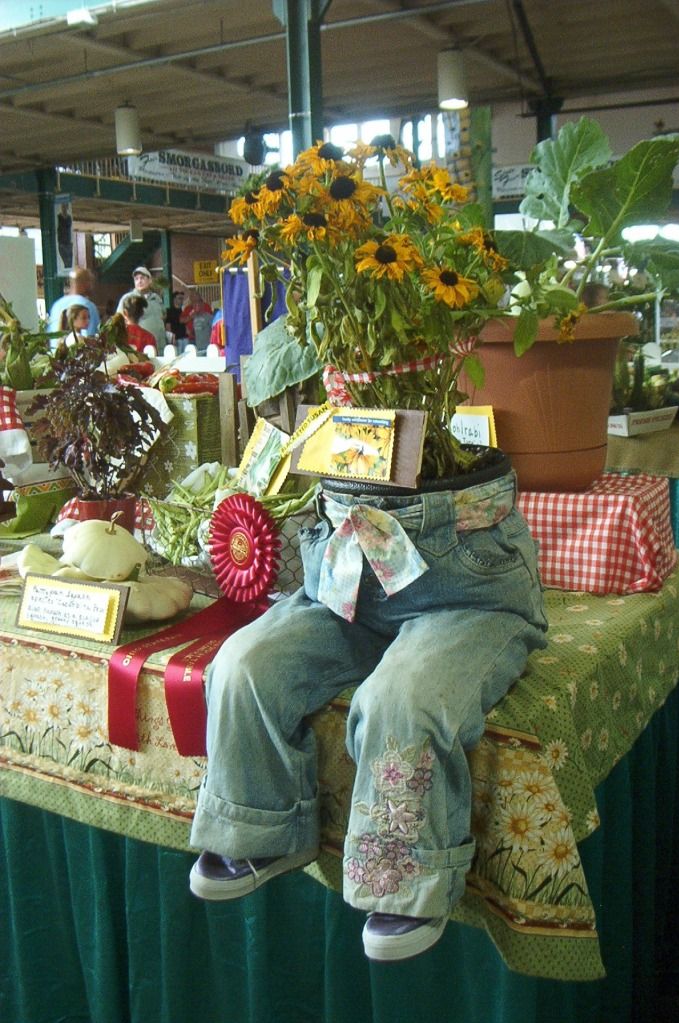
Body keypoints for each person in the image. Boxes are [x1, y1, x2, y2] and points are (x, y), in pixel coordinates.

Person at [188, 464, 548, 962]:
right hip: (348, 572)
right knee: (243, 665)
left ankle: (402, 880)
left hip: (466, 585)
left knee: (401, 703)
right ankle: (258, 824)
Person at [116, 267, 166, 348]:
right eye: (136, 279)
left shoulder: (157, 299)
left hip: (160, 345)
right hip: (140, 346)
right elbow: (118, 321)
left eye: (142, 278)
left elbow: (163, 317)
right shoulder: (128, 299)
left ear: (150, 280)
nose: (139, 281)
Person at [48, 267, 100, 338]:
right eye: (90, 282)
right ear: (85, 283)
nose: (92, 286)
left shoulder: (56, 305)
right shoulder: (88, 306)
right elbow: (91, 336)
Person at [56, 201, 73, 273]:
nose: (64, 208)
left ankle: (67, 272)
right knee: (66, 260)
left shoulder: (69, 218)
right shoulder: (59, 217)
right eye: (63, 207)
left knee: (68, 262)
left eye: (65, 207)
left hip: (67, 242)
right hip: (62, 242)